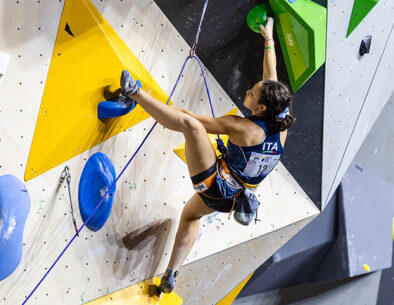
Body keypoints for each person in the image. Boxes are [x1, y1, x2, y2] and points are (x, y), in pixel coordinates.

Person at [118, 17, 294, 293]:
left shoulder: (244, 127)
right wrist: (269, 40)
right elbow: (270, 77)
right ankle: (171, 274)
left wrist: (161, 103)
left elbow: (191, 119)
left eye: (251, 93)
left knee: (190, 126)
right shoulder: (279, 124)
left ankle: (133, 93)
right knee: (190, 216)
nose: (248, 90)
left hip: (216, 186)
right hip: (233, 199)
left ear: (260, 108)